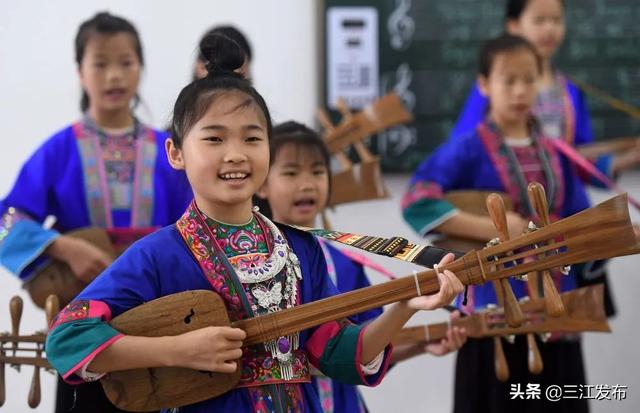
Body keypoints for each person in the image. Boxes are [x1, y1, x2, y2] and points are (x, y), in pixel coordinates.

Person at [46, 33, 464, 413]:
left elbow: (337, 353)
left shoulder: (301, 249)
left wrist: (406, 305)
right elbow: (67, 339)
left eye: (251, 138)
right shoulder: (159, 254)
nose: (236, 154)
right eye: (214, 139)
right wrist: (178, 350)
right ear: (175, 153)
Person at [0, 11, 192, 413]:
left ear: (141, 69)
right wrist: (64, 248)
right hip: (83, 316)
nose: (114, 76)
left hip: (159, 317)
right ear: (80, 72)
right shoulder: (59, 150)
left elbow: (195, 224)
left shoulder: (170, 150)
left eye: (126, 62)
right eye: (100, 63)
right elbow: (7, 220)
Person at [403, 34, 591, 412]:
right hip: (490, 316)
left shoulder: (557, 153)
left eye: (529, 79)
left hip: (557, 312)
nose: (521, 90)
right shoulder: (467, 147)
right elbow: (416, 203)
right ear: (484, 84)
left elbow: (578, 219)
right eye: (509, 80)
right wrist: (499, 230)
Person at [255, 121, 467, 412]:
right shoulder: (253, 259)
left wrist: (423, 343)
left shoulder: (345, 263)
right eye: (291, 173)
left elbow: (367, 344)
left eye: (317, 172)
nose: (307, 183)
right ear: (262, 184)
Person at [451, 0, 640, 179]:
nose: (549, 29)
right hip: (502, 200)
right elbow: (462, 151)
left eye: (556, 20)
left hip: (558, 204)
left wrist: (630, 158)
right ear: (514, 25)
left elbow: (578, 161)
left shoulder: (570, 92)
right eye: (539, 20)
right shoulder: (494, 88)